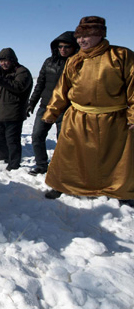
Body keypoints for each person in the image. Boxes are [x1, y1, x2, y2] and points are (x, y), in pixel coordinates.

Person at [42, 16, 134, 205]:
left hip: (113, 119)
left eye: (87, 36)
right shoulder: (74, 60)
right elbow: (62, 89)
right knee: (68, 155)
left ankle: (122, 192)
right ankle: (61, 185)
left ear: (101, 35)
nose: (81, 41)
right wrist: (51, 112)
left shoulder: (121, 55)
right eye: (79, 37)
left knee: (116, 159)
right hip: (78, 117)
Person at [27, 32, 79, 175]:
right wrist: (32, 102)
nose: (63, 49)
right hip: (46, 106)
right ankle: (41, 164)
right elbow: (40, 84)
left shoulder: (78, 64)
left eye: (67, 46)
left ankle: (62, 168)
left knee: (63, 140)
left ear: (74, 47)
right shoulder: (49, 62)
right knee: (37, 136)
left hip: (66, 108)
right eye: (60, 46)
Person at [0, 48, 33, 171]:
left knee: (12, 140)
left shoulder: (22, 72)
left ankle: (14, 164)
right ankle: (4, 158)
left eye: (6, 61)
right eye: (1, 61)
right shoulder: (2, 72)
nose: (3, 64)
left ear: (12, 60)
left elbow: (18, 87)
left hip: (14, 111)